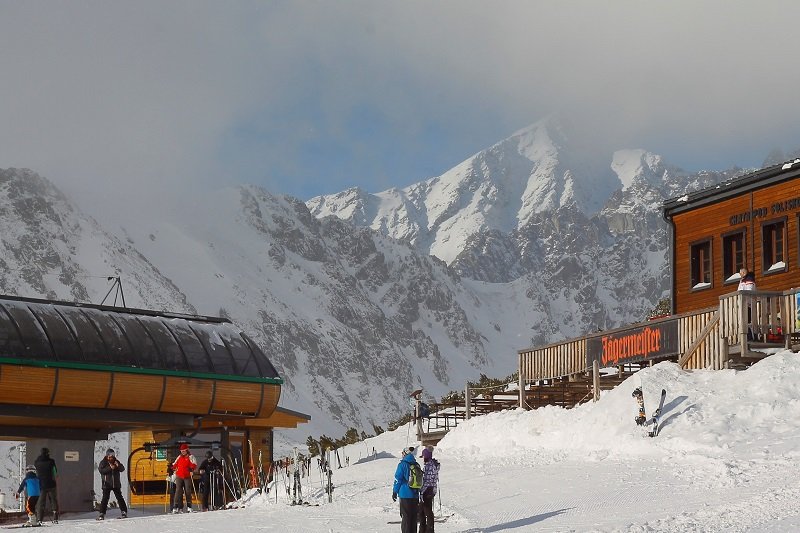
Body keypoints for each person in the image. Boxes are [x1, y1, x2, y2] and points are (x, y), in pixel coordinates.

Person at [392, 446, 421, 533]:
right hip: (415, 495)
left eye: (402, 453)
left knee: (406, 518)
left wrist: (395, 491)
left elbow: (398, 479)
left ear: (405, 453)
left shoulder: (402, 465)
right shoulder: (416, 464)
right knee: (413, 518)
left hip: (405, 495)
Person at [97, 448, 128, 520]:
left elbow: (122, 469)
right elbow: (101, 470)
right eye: (111, 455)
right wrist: (110, 468)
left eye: (113, 455)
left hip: (116, 484)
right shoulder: (103, 462)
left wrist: (118, 465)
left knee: (119, 498)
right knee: (105, 498)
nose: (112, 457)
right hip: (107, 484)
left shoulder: (116, 461)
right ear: (107, 455)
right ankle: (102, 513)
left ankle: (124, 511)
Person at [417, 447, 440, 533]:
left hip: (426, 491)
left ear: (426, 456)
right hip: (431, 490)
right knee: (423, 511)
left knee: (427, 511)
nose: (423, 458)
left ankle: (429, 530)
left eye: (423, 456)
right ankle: (424, 530)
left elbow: (427, 481)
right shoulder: (433, 465)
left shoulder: (429, 466)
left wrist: (421, 491)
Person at [34, 447, 58, 524]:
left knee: (41, 502)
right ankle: (55, 517)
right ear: (47, 453)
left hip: (41, 485)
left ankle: (39, 519)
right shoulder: (51, 461)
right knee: (53, 500)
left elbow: (35, 473)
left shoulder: (36, 462)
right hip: (51, 484)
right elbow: (55, 472)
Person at [171, 443, 197, 513]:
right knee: (178, 490)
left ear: (187, 450)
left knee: (187, 491)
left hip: (187, 476)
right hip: (179, 475)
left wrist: (191, 468)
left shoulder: (191, 457)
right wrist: (171, 467)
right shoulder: (179, 457)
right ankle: (175, 507)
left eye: (184, 451)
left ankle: (189, 506)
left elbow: (194, 464)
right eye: (181, 451)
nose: (182, 452)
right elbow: (175, 464)